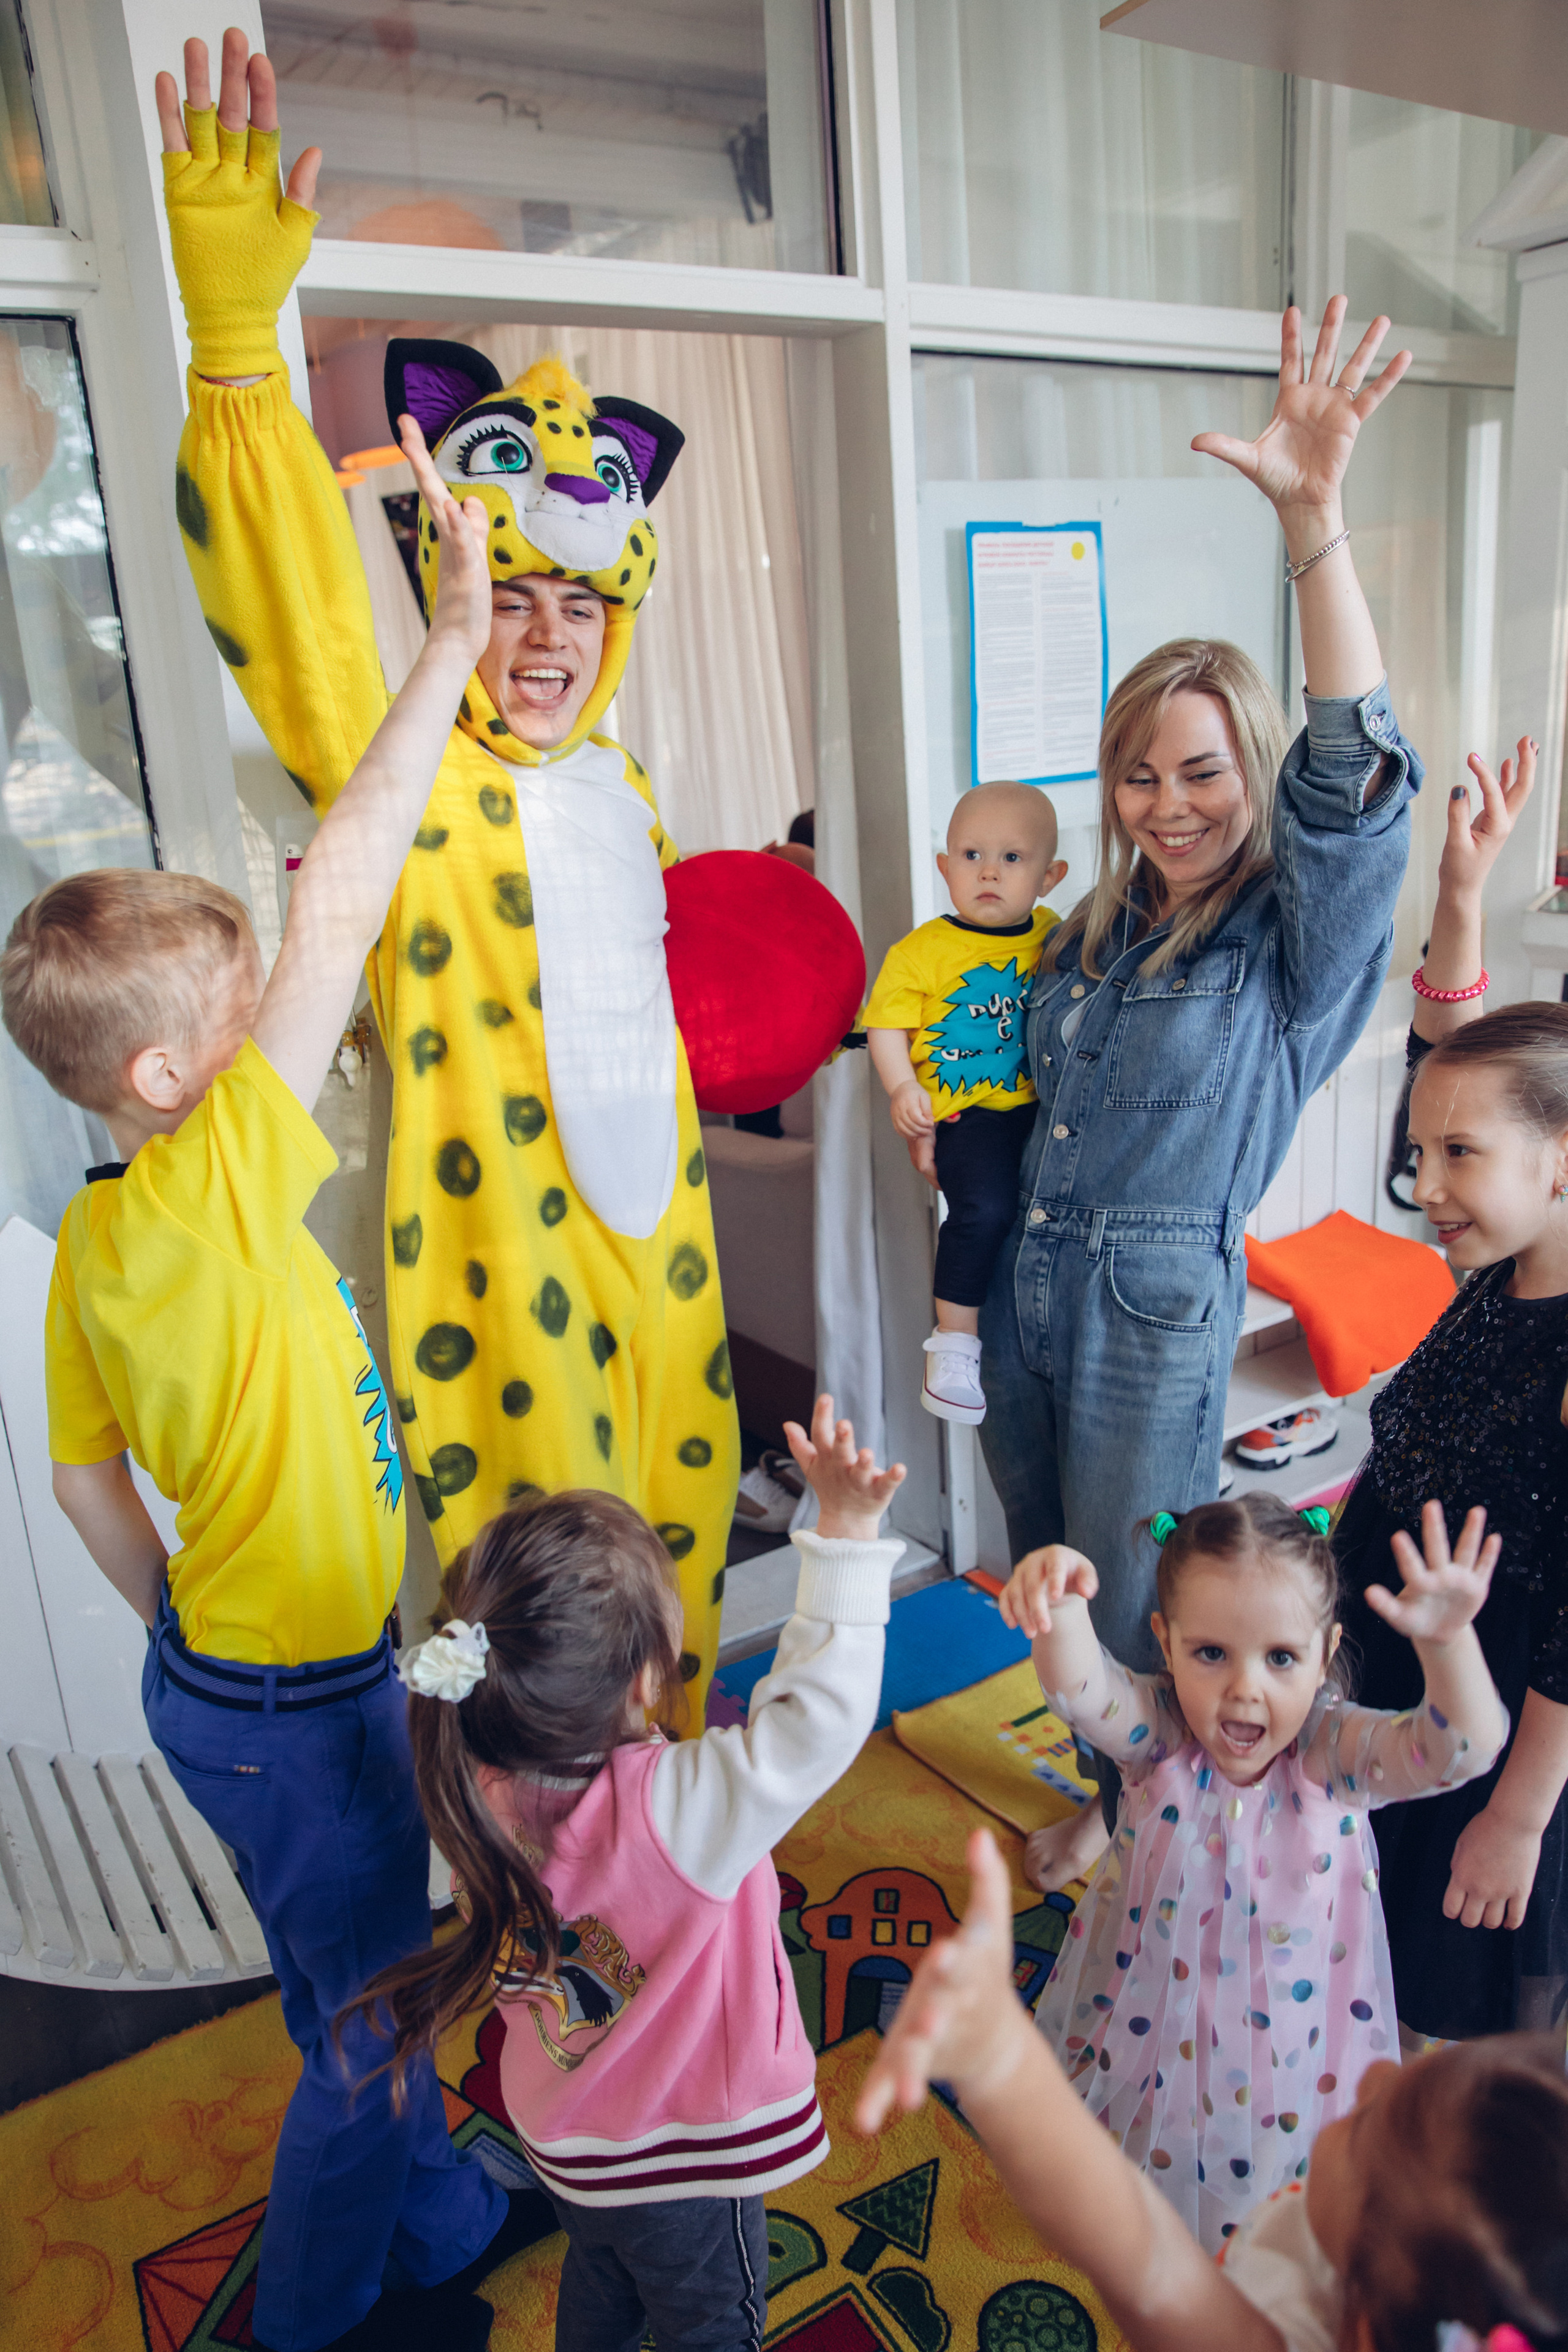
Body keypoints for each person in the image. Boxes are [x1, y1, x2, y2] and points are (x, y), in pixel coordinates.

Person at [154, 31, 826, 1724]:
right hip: (483, 1258)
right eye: (510, 595)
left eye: (578, 606)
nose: (542, 638)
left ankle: (662, 1799)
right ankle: (503, 1858)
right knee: (511, 1588)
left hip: (659, 1241)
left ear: (620, 625)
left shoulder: (623, 781)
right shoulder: (402, 763)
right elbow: (298, 618)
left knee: (666, 1546)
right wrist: (240, 354)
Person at [1, 431, 540, 2350]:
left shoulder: (95, 1242)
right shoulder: (223, 1169)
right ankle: (319, 2316)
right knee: (372, 2016)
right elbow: (349, 887)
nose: (271, 1049)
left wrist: (195, 1641)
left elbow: (81, 1493)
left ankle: (450, 2197)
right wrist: (450, 635)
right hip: (300, 1707)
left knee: (366, 1944)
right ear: (165, 1084)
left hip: (248, 1685)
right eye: (235, 1034)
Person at [979, 300, 1420, 1893]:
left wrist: (1313, 525)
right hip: (1032, 1283)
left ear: (1251, 771)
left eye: (1203, 772)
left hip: (1157, 1303)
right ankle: (1119, 1780)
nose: (1168, 806)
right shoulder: (1090, 933)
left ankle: (1136, 1821)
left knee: (1141, 1604)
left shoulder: (1288, 947)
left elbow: (1353, 784)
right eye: (1139, 774)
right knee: (1051, 1576)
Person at [343, 1396, 905, 2352]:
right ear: (647, 1678)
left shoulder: (467, 1772)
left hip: (564, 2129)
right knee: (709, 2324)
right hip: (681, 2155)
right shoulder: (680, 1811)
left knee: (601, 2275)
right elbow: (815, 1722)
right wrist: (846, 1538)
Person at [998, 1494, 1506, 2249]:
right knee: (1134, 2134)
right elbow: (1080, 1690)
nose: (1245, 1688)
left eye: (1280, 1658)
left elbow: (1463, 1748)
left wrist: (1449, 1644)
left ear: (1324, 1652)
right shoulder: (1160, 1734)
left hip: (1288, 2039)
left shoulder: (1333, 1756)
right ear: (1165, 1645)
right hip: (1149, 1997)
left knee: (1262, 2165)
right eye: (1211, 1654)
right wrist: (1061, 1608)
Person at [855, 1825, 1568, 2352]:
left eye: (1372, 2118)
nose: (1375, 2071)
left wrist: (997, 2057)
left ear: (1362, 2322)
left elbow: (1141, 2253)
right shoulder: (1408, 2280)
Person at [1332, 736, 1568, 2043]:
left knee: (1445, 2017)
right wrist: (1461, 888)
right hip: (1400, 1689)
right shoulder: (1498, 1262)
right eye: (1417, 1151)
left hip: (1496, 1744)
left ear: (1560, 1160)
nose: (1418, 1185)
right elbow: (1456, 1063)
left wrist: (1516, 1815)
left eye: (1453, 1158)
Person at [865, 782, 1068, 1425]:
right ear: (944, 866)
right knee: (980, 1210)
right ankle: (952, 1345)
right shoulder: (920, 952)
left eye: (1013, 858)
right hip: (966, 1115)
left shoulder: (1055, 937)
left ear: (1049, 875)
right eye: (971, 854)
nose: (988, 870)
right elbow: (886, 1026)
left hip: (1045, 1108)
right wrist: (903, 1088)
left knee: (1046, 1220)